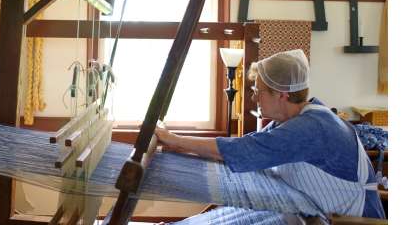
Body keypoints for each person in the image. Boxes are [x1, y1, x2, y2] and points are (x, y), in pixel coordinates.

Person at [155, 49, 385, 220]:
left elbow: (244, 151)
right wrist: (180, 147)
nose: (254, 98)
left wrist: (174, 139)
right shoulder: (290, 121)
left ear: (282, 94)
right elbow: (247, 147)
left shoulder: (312, 128)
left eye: (258, 91)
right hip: (314, 214)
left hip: (352, 220)